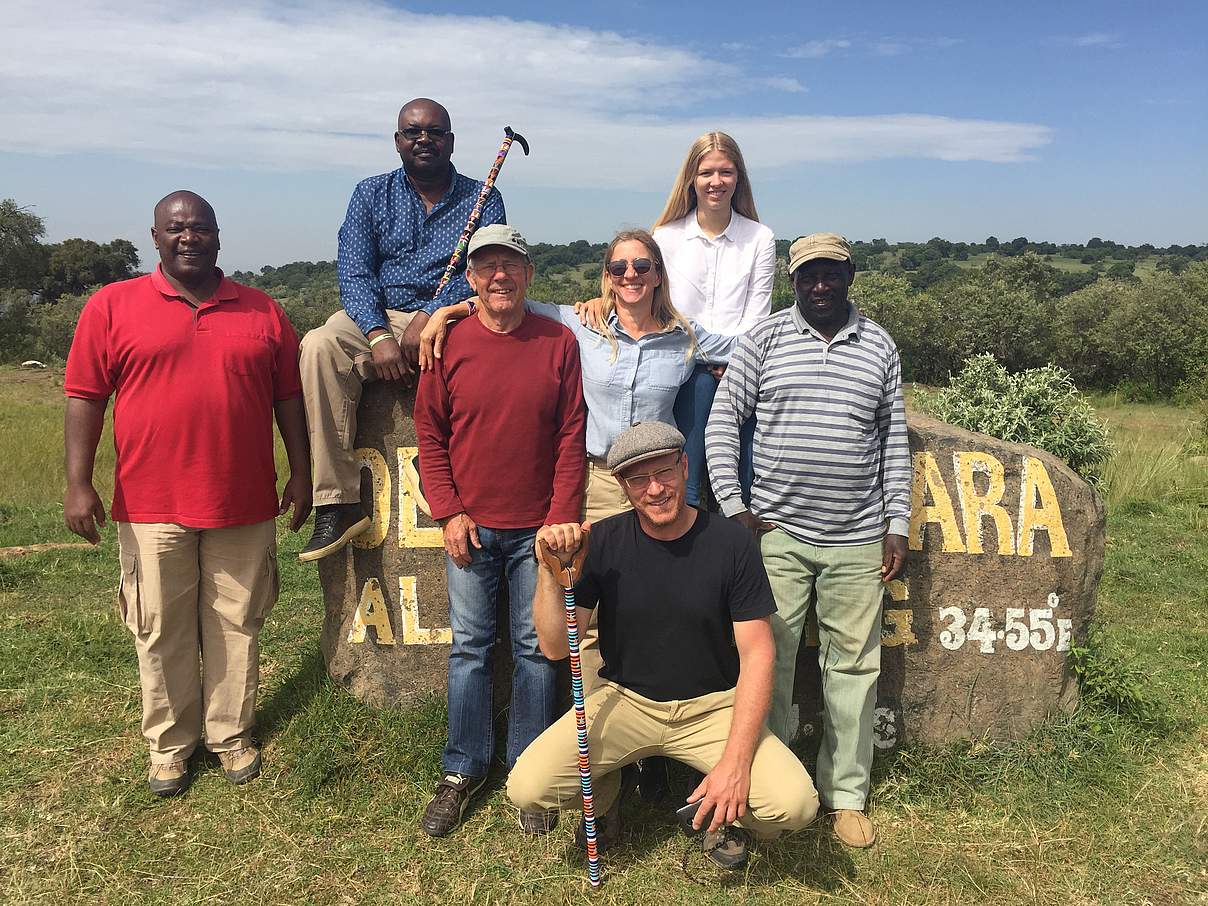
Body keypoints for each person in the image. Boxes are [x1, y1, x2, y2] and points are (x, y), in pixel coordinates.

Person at [63, 191, 311, 797]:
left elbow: (288, 400)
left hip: (242, 499)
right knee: (160, 625)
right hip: (149, 502)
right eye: (176, 228)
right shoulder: (112, 306)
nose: (189, 237)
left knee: (236, 621)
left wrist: (301, 472)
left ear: (218, 236)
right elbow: (85, 395)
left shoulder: (262, 311)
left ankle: (230, 735)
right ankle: (170, 745)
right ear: (155, 237)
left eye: (200, 228)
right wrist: (77, 482)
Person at [507, 422, 818, 870]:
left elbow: (758, 653)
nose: (655, 489)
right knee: (528, 787)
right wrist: (547, 573)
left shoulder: (731, 542)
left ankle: (719, 811)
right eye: (638, 479)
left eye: (665, 472)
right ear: (622, 485)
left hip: (713, 707)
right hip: (626, 702)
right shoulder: (604, 541)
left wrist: (735, 762)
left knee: (795, 805)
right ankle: (608, 790)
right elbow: (557, 647)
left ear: (685, 465)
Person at [705, 232, 910, 849]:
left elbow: (893, 440)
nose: (819, 286)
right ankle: (768, 783)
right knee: (770, 659)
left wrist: (895, 523)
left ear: (850, 277)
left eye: (830, 274)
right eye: (807, 276)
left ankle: (846, 796)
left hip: (855, 537)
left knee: (852, 666)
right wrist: (734, 506)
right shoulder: (764, 340)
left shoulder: (878, 345)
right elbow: (723, 422)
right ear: (791, 282)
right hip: (778, 535)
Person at [412, 224, 587, 837]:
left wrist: (562, 516)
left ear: (528, 275)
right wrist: (448, 511)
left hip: (539, 531)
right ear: (471, 280)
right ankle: (463, 769)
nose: (499, 276)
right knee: (470, 649)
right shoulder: (449, 344)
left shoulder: (557, 341)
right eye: (486, 267)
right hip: (473, 527)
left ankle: (528, 772)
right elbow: (429, 436)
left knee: (539, 652)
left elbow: (572, 432)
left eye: (510, 265)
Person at [297, 97, 506, 562]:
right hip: (379, 312)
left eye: (434, 132)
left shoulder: (483, 197)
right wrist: (377, 334)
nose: (423, 140)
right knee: (318, 346)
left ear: (450, 142)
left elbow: (485, 268)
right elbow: (354, 271)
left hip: (454, 312)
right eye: (413, 132)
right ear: (398, 141)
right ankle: (337, 503)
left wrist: (432, 314)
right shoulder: (370, 193)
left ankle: (491, 494)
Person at [651, 132, 775, 507]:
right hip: (684, 371)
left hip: (740, 373)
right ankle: (688, 515)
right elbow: (669, 316)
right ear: (692, 178)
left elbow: (758, 318)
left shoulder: (759, 238)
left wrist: (732, 362)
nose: (716, 182)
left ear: (739, 178)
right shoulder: (666, 237)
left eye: (726, 172)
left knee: (747, 470)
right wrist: (719, 356)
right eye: (707, 172)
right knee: (700, 388)